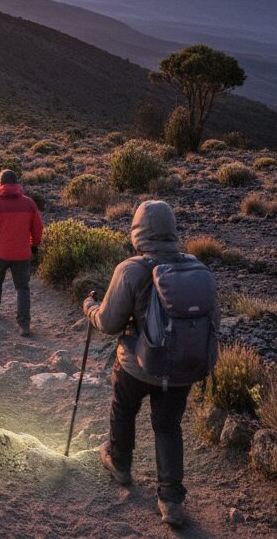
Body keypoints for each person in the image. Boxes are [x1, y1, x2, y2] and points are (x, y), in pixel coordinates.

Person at [82, 200, 219, 528]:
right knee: (168, 425)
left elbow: (109, 322)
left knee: (124, 407)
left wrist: (89, 307)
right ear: (172, 230)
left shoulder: (130, 269)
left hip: (137, 365)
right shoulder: (196, 269)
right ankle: (171, 500)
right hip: (181, 368)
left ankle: (120, 462)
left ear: (137, 230)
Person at [0, 169, 42, 337]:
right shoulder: (29, 203)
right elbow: (38, 227)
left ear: (0, 183)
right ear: (16, 183)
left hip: (1, 252)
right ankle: (24, 325)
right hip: (22, 253)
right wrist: (34, 245)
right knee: (22, 288)